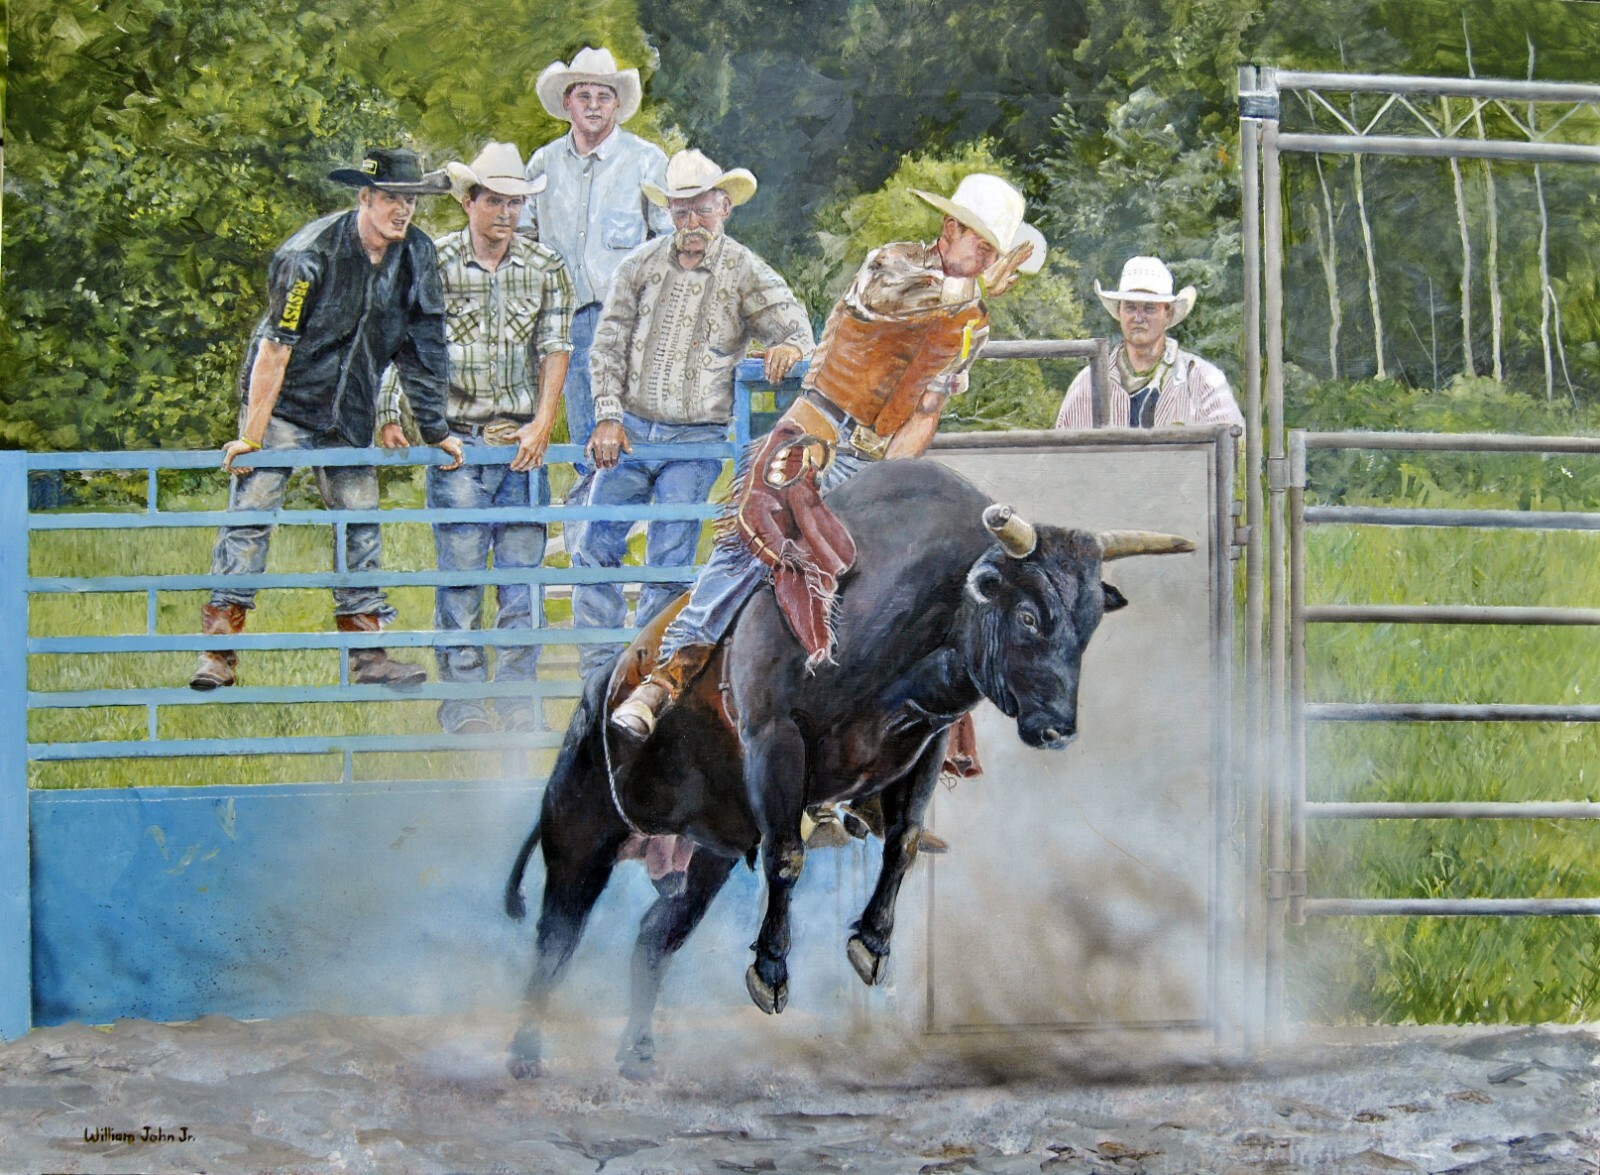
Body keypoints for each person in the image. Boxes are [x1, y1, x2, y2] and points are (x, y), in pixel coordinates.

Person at [610, 172, 1043, 741]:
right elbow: (899, 304)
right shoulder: (892, 265)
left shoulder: (972, 324)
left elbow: (926, 409)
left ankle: (867, 736)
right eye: (980, 243)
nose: (984, 257)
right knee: (749, 545)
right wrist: (975, 291)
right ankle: (666, 677)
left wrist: (893, 481)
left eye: (992, 250)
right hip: (818, 431)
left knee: (891, 583)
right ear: (949, 228)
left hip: (876, 457)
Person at [189, 148, 464, 692]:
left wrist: (437, 429)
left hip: (351, 408)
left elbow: (424, 347)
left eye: (409, 200)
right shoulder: (309, 254)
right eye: (390, 198)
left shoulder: (418, 256)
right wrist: (250, 434)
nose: (401, 210)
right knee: (253, 513)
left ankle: (368, 653)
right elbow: (275, 348)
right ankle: (218, 651)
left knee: (360, 521)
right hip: (285, 405)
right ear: (364, 197)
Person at [572, 148, 814, 681]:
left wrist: (789, 348)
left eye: (702, 210)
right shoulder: (638, 266)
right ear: (668, 215)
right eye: (680, 213)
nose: (691, 224)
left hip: (697, 440)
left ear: (724, 207)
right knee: (593, 547)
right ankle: (595, 669)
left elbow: (796, 326)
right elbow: (607, 345)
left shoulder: (744, 269)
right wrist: (608, 415)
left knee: (669, 556)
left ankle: (641, 668)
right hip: (630, 431)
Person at [377, 142, 575, 734]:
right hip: (455, 441)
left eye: (514, 203)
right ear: (469, 201)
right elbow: (401, 340)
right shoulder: (433, 263)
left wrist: (542, 423)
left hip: (517, 442)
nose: (505, 214)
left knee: (521, 579)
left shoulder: (546, 267)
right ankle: (462, 705)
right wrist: (392, 410)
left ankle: (517, 699)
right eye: (494, 201)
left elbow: (556, 348)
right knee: (459, 578)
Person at [522, 46, 671, 493]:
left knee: (627, 435)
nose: (592, 105)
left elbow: (668, 242)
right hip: (559, 319)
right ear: (567, 102)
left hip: (627, 321)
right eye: (582, 95)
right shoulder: (543, 164)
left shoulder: (647, 161)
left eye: (602, 96)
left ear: (617, 104)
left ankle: (609, 534)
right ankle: (585, 539)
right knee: (575, 433)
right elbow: (522, 238)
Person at [1052, 255, 1244, 431]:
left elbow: (1233, 446)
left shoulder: (1202, 380)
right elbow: (1062, 455)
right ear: (1119, 312)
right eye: (1130, 307)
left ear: (1167, 314)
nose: (1138, 317)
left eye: (1149, 308)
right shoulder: (1088, 384)